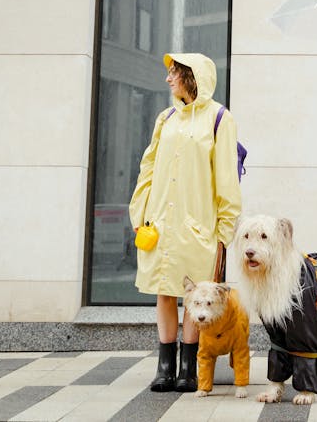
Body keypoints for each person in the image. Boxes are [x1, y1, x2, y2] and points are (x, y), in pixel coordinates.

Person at [129, 53, 242, 392]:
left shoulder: (220, 119)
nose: (168, 80)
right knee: (164, 292)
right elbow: (147, 167)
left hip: (199, 225)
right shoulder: (166, 118)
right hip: (160, 221)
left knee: (195, 296)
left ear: (191, 76)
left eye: (173, 73)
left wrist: (224, 230)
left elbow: (226, 179)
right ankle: (165, 365)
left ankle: (188, 367)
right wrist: (140, 212)